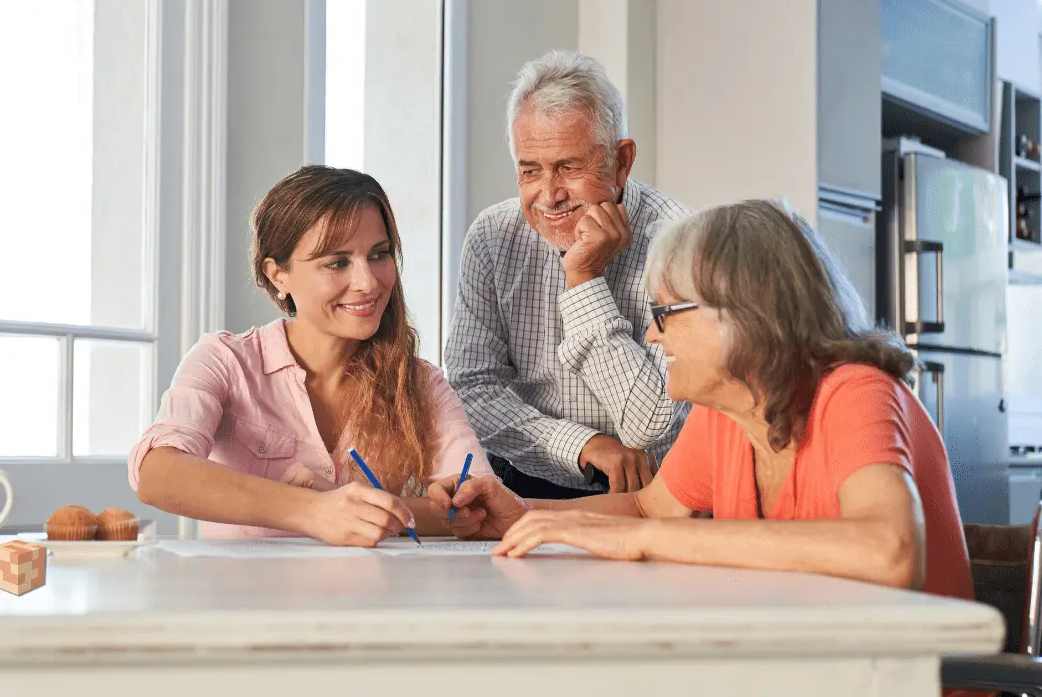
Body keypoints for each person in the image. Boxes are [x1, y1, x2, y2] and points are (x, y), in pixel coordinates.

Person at [431, 198, 975, 602]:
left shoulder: (854, 391)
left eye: (666, 313)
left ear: (745, 315)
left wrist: (647, 538)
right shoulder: (728, 412)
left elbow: (890, 551)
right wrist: (521, 514)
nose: (651, 335)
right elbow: (647, 506)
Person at [130, 165, 493, 545]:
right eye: (337, 263)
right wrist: (310, 510)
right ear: (277, 275)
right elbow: (158, 474)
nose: (367, 282)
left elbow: (475, 508)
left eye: (379, 254)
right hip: (244, 599)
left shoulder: (421, 382)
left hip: (375, 600)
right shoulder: (225, 362)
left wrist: (433, 511)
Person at [445, 49, 692, 500]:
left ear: (621, 163)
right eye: (530, 170)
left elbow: (648, 427)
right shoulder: (492, 236)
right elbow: (471, 388)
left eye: (568, 168)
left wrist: (584, 278)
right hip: (520, 481)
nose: (549, 195)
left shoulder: (680, 244)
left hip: (653, 493)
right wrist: (579, 445)